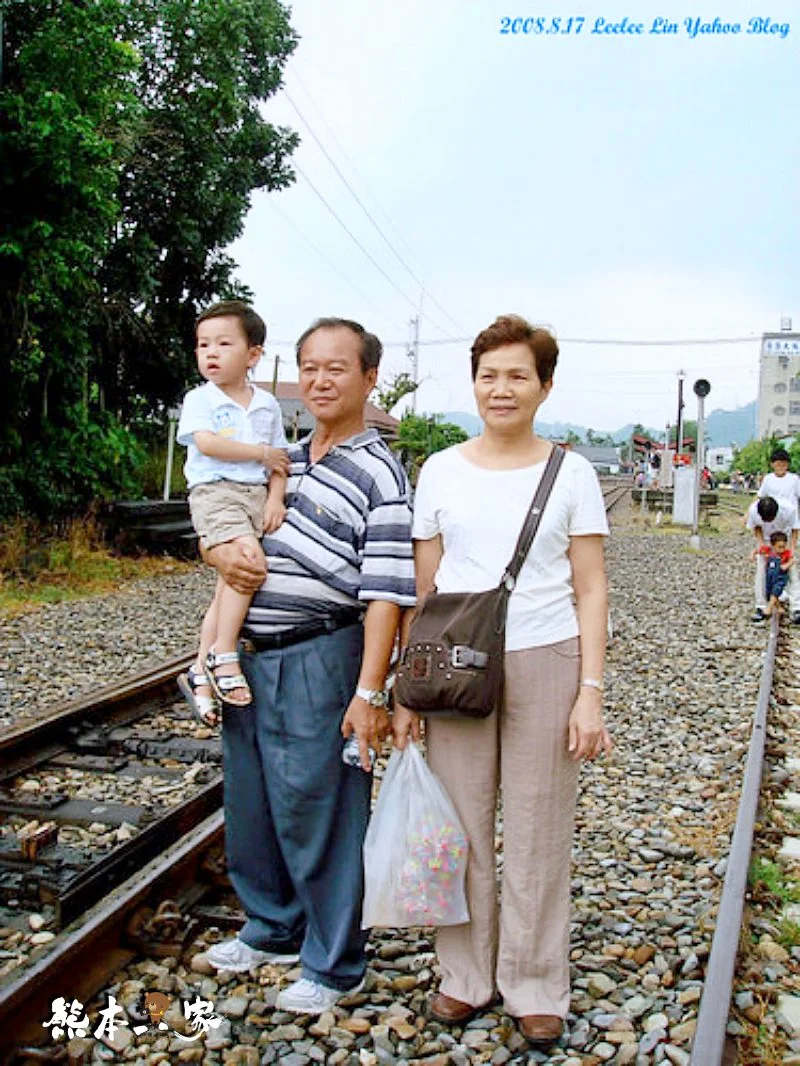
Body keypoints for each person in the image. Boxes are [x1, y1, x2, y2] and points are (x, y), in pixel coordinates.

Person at [392, 314, 612, 1048]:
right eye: (489, 375)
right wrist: (405, 688)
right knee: (458, 827)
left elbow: (591, 588)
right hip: (455, 663)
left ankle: (536, 982)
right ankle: (465, 975)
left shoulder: (571, 472)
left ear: (545, 386)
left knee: (540, 828)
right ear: (474, 383)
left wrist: (590, 690)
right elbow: (428, 592)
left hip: (545, 658)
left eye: (518, 375)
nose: (502, 388)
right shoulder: (441, 470)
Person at [197, 318, 416, 1013]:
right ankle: (271, 927)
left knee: (318, 808)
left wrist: (369, 691)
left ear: (369, 378)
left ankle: (335, 963)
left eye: (337, 368)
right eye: (311, 367)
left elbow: (385, 593)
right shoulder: (283, 457)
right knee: (254, 801)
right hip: (253, 656)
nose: (321, 381)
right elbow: (226, 533)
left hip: (322, 652)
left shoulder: (381, 470)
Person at [176, 301, 289, 723]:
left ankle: (199, 669)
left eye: (224, 344)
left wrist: (275, 499)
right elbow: (206, 443)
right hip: (216, 492)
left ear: (253, 354)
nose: (211, 352)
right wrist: (259, 453)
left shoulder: (267, 404)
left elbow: (279, 459)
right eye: (203, 344)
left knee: (230, 581)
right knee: (248, 563)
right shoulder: (200, 398)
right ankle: (224, 655)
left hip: (255, 495)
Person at [746, 495, 800, 624]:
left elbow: (795, 529)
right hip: (767, 543)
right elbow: (756, 527)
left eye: (770, 518)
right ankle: (761, 606)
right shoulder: (754, 510)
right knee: (761, 573)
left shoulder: (789, 509)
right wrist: (760, 544)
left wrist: (791, 549)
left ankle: (796, 608)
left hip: (784, 542)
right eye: (765, 519)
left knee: (792, 574)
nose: (768, 521)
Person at [757, 448, 800, 518]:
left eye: (784, 465)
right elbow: (760, 496)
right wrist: (747, 514)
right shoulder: (768, 479)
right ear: (772, 464)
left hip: (791, 519)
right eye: (778, 465)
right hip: (773, 518)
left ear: (788, 464)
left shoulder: (794, 479)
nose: (781, 467)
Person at [763, 531, 793, 617]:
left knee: (776, 590)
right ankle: (779, 607)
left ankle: (769, 608)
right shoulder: (769, 551)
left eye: (784, 547)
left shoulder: (786, 553)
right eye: (779, 547)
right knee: (770, 591)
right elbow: (759, 549)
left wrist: (786, 565)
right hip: (770, 576)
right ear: (773, 546)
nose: (782, 549)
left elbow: (792, 560)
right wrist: (753, 554)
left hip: (780, 576)